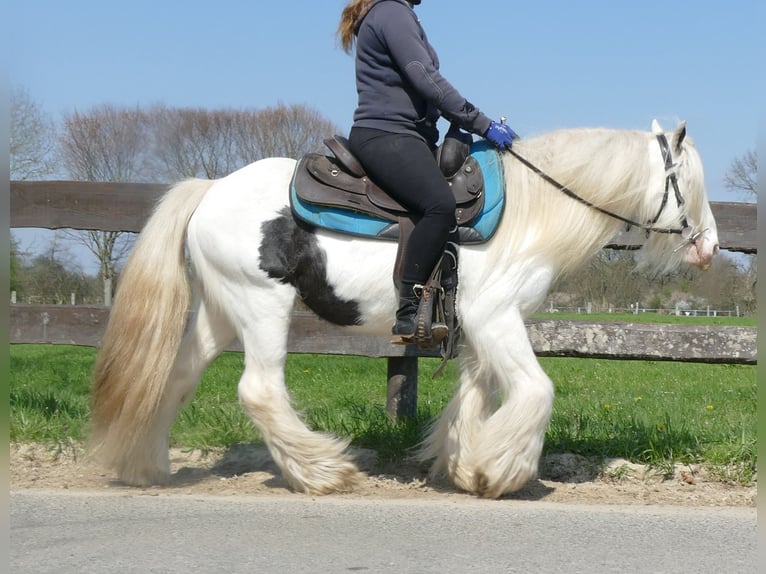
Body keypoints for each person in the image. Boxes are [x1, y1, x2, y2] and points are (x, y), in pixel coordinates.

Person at [337, 0, 518, 339]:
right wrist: (481, 123)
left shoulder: (395, 13)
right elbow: (424, 77)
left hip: (409, 136)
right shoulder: (392, 11)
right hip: (387, 134)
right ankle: (409, 310)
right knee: (440, 205)